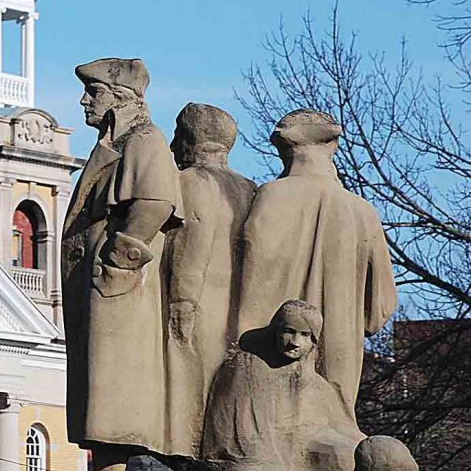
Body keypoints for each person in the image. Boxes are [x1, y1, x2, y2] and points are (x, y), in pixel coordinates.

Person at [61, 58, 184, 469]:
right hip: (106, 295)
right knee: (102, 417)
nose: (83, 102)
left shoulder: (144, 140)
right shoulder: (115, 144)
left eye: (93, 93)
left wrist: (118, 262)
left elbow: (155, 201)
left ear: (120, 98)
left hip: (119, 296)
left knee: (117, 413)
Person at [236, 110, 398, 413]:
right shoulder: (362, 212)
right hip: (337, 363)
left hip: (260, 363)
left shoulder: (268, 196)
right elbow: (380, 310)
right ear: (330, 149)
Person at [161, 103, 256, 458]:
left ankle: (186, 451)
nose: (172, 147)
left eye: (177, 135)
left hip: (195, 303)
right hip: (239, 308)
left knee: (189, 386)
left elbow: (192, 244)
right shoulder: (249, 188)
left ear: (189, 139)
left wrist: (181, 301)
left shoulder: (188, 182)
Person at [203, 301, 364, 471]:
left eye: (305, 335)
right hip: (256, 459)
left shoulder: (319, 386)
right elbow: (242, 439)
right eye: (289, 331)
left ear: (314, 341)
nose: (295, 342)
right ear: (275, 331)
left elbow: (344, 430)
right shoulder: (248, 366)